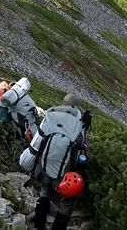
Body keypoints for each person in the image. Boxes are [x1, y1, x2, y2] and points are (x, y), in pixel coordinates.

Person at [30, 94, 90, 230]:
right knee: (66, 203)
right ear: (75, 105)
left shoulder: (52, 114)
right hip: (65, 173)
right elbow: (81, 146)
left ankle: (39, 225)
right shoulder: (78, 121)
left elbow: (41, 137)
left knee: (44, 192)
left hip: (45, 166)